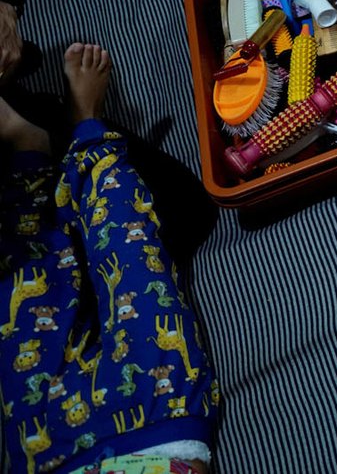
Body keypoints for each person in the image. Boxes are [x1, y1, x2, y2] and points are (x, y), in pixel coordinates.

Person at [1, 44, 219, 474]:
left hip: (47, 455)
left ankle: (29, 150)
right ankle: (86, 127)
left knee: (25, 298)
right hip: (157, 425)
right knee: (128, 241)